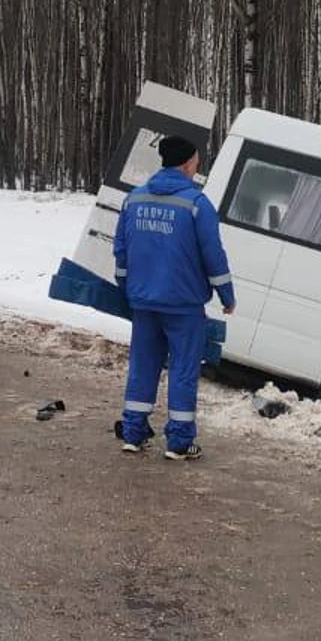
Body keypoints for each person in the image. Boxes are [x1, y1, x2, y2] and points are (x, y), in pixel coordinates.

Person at [112, 136, 235, 461]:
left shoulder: (134, 200)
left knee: (142, 366)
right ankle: (179, 443)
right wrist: (226, 294)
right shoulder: (196, 204)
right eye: (196, 162)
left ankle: (134, 433)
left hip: (144, 302)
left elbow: (121, 250)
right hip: (183, 306)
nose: (198, 168)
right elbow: (213, 255)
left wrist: (125, 287)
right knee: (182, 370)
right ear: (186, 165)